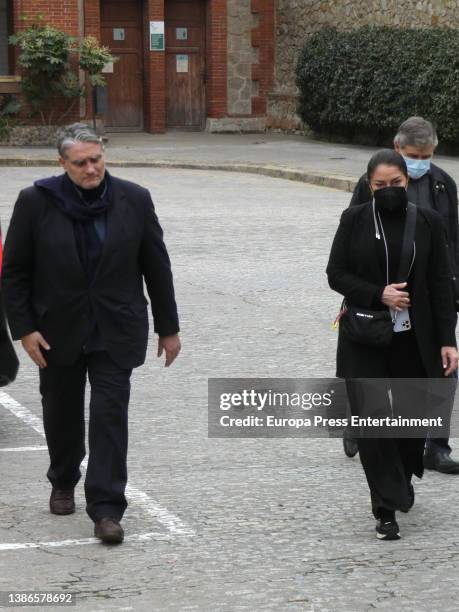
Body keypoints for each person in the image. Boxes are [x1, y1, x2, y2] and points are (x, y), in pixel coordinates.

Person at [2, 123, 181, 544]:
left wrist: (168, 328)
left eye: (96, 159)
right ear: (62, 163)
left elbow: (156, 265)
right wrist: (25, 330)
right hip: (56, 331)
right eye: (80, 162)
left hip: (115, 329)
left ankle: (106, 509)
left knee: (109, 417)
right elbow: (14, 273)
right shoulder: (35, 202)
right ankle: (63, 478)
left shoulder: (134, 200)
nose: (90, 168)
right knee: (61, 413)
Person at [327, 149, 458, 540]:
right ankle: (385, 509)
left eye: (396, 184)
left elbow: (440, 283)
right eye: (380, 185)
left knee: (410, 423)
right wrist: (377, 294)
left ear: (407, 182)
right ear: (369, 185)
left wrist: (448, 340)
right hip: (365, 336)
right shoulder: (354, 220)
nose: (388, 190)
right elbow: (336, 274)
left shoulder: (429, 223)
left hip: (414, 338)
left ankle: (402, 476)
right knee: (373, 424)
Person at [345, 117, 459, 474]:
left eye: (427, 155)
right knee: (372, 364)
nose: (421, 161)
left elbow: (452, 241)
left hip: (427, 294)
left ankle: (435, 446)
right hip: (382, 294)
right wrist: (357, 297)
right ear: (398, 149)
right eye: (414, 155)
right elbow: (352, 243)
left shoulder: (444, 185)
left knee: (444, 368)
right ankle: (361, 425)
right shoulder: (376, 182)